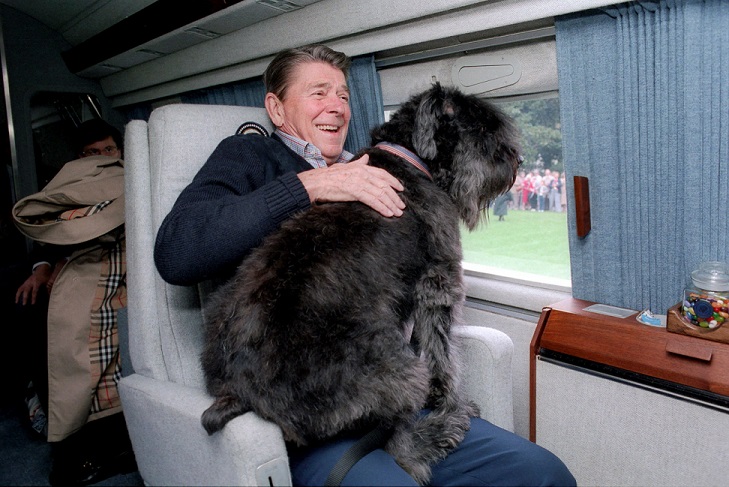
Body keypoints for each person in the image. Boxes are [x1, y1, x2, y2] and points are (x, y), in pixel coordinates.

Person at [155, 44, 575, 486]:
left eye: (343, 96)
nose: (336, 107)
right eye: (319, 93)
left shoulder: (374, 165)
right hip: (307, 407)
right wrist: (311, 185)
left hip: (396, 396)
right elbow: (178, 251)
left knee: (543, 473)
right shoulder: (248, 157)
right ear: (276, 109)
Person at [13, 118, 135, 486]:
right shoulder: (69, 186)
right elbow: (46, 236)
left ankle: (99, 442)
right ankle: (53, 422)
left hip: (120, 275)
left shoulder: (134, 180)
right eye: (91, 153)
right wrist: (42, 267)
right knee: (47, 324)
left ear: (120, 152)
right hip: (75, 274)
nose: (100, 159)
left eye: (108, 151)